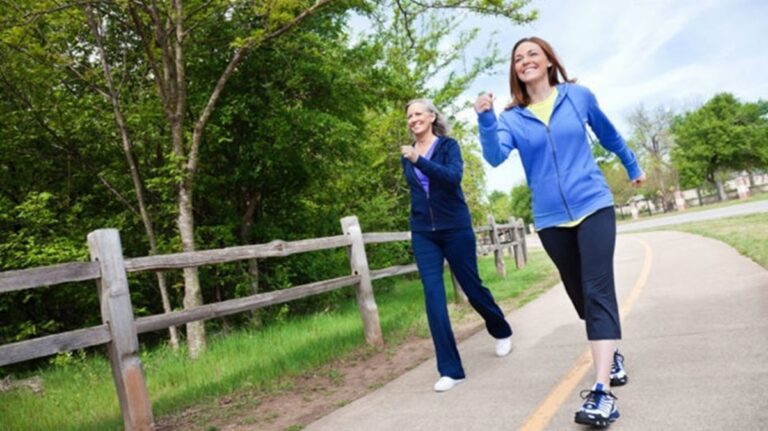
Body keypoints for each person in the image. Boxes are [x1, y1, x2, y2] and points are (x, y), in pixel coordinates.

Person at [474, 36, 645, 428]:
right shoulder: (512, 118)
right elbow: (496, 157)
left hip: (593, 204)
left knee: (598, 287)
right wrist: (485, 119)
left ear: (549, 61)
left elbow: (609, 134)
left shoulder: (577, 96)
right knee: (578, 291)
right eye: (518, 58)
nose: (525, 61)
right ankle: (611, 350)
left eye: (533, 54)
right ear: (514, 71)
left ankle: (602, 392)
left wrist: (632, 165)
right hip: (551, 218)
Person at [400, 98, 513, 393]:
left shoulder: (448, 146)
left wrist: (418, 160)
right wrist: (415, 224)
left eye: (418, 113)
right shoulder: (407, 154)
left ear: (431, 116)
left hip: (455, 229)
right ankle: (450, 369)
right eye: (409, 116)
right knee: (433, 297)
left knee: (472, 287)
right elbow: (417, 193)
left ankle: (500, 329)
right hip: (425, 233)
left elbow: (453, 179)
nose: (413, 119)